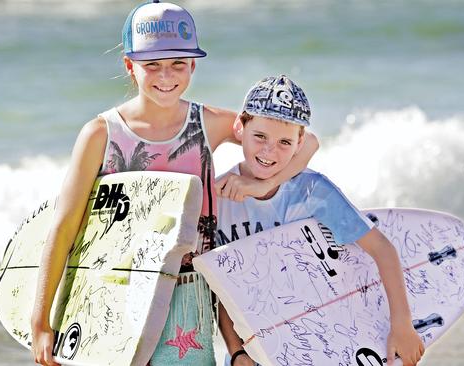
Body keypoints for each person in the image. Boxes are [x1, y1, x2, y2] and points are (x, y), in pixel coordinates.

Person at [29, 2, 319, 365]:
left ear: (192, 66)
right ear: (130, 67)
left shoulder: (209, 123)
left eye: (177, 64)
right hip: (115, 293)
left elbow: (306, 142)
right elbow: (65, 224)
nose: (166, 75)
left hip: (187, 294)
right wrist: (40, 323)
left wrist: (264, 185)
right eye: (152, 65)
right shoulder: (101, 134)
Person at [214, 75, 425, 366]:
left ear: (300, 143)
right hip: (252, 353)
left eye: (284, 142)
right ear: (240, 127)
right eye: (259, 136)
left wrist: (402, 325)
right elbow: (224, 286)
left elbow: (382, 250)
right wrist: (237, 352)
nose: (268, 151)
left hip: (320, 343)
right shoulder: (219, 199)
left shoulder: (313, 192)